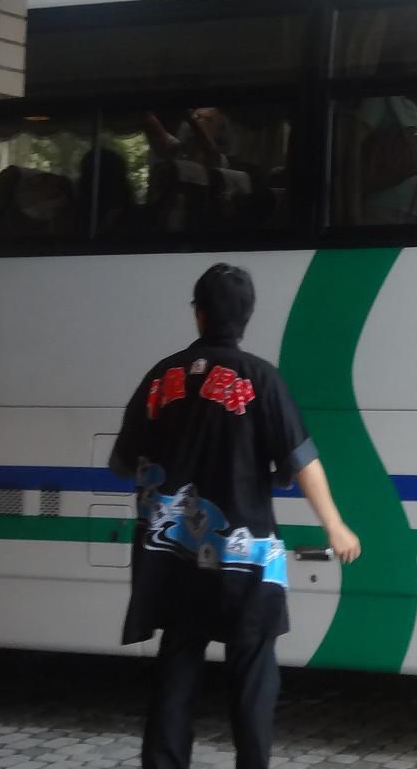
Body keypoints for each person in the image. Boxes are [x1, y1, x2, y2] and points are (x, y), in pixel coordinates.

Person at [110, 264, 361, 769]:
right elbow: (301, 459)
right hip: (245, 559)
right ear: (246, 318)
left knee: (177, 663)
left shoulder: (161, 376)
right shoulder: (262, 379)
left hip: (175, 556)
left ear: (199, 314)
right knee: (253, 670)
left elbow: (121, 463)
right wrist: (334, 524)